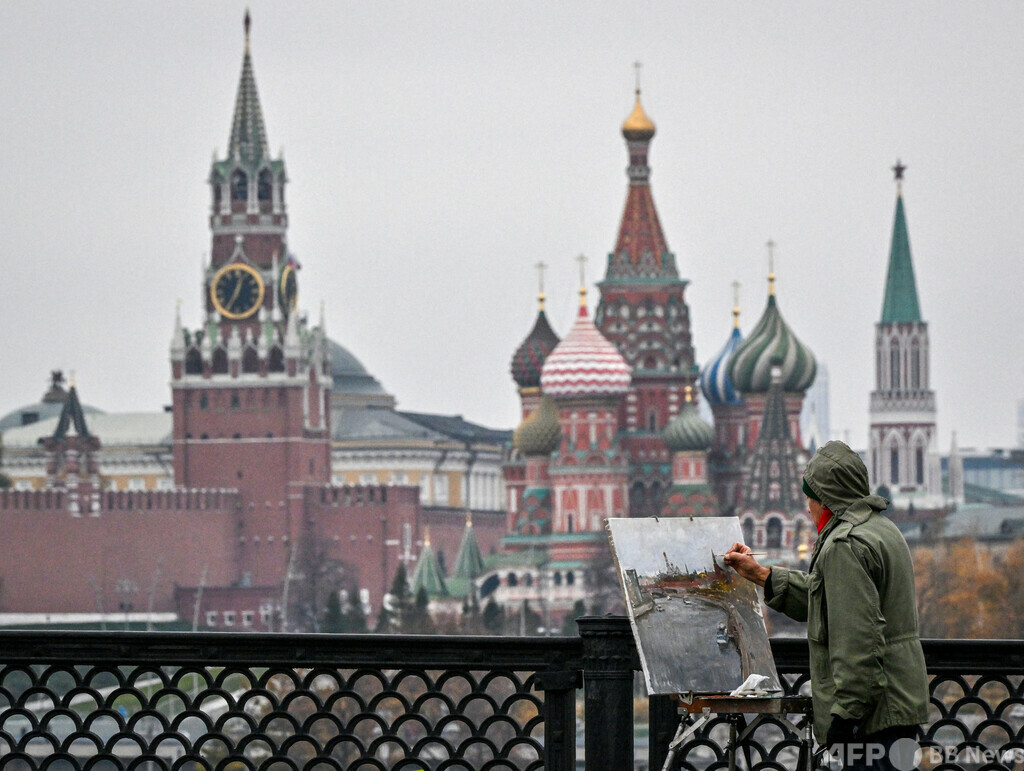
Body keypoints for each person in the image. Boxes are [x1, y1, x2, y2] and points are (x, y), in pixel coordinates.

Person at [724, 440, 928, 770]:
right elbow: (831, 599)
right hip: (895, 706)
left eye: (811, 497)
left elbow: (856, 638)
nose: (807, 507)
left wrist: (846, 718)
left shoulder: (845, 545)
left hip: (869, 721)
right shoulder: (882, 530)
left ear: (828, 499)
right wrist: (761, 575)